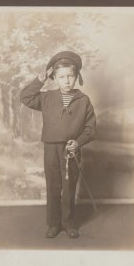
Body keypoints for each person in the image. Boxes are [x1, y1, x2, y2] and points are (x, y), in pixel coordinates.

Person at [20, 51, 96, 239]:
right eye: (61, 77)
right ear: (54, 78)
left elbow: (90, 129)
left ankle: (69, 223)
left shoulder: (84, 100)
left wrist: (77, 143)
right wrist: (40, 79)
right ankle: (54, 224)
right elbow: (26, 97)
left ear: (77, 76)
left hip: (71, 150)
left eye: (70, 76)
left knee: (69, 187)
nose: (67, 81)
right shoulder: (46, 98)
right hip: (51, 149)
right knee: (53, 186)